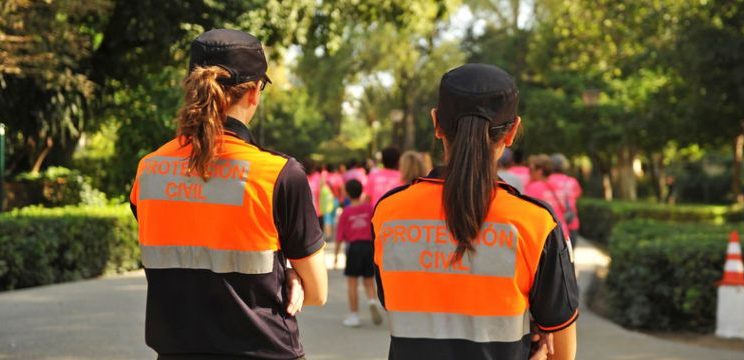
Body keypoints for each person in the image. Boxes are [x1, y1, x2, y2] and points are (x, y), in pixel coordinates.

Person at [129, 29, 327, 359]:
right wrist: (289, 274)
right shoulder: (277, 174)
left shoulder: (148, 170)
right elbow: (318, 292)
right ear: (253, 92)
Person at [372, 64, 578, 360]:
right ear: (512, 132)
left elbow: (393, 300)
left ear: (436, 123)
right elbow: (563, 351)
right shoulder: (535, 223)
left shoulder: (388, 212)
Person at [335, 179, 383, 327]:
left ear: (347, 194)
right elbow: (377, 228)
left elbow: (339, 236)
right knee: (369, 281)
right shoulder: (369, 208)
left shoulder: (346, 212)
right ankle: (372, 301)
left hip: (354, 248)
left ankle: (354, 316)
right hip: (369, 247)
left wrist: (336, 256)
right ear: (362, 191)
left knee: (352, 283)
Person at [548, 153, 583, 243]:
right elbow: (577, 196)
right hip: (571, 223)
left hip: (551, 226)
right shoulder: (572, 182)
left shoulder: (544, 181)